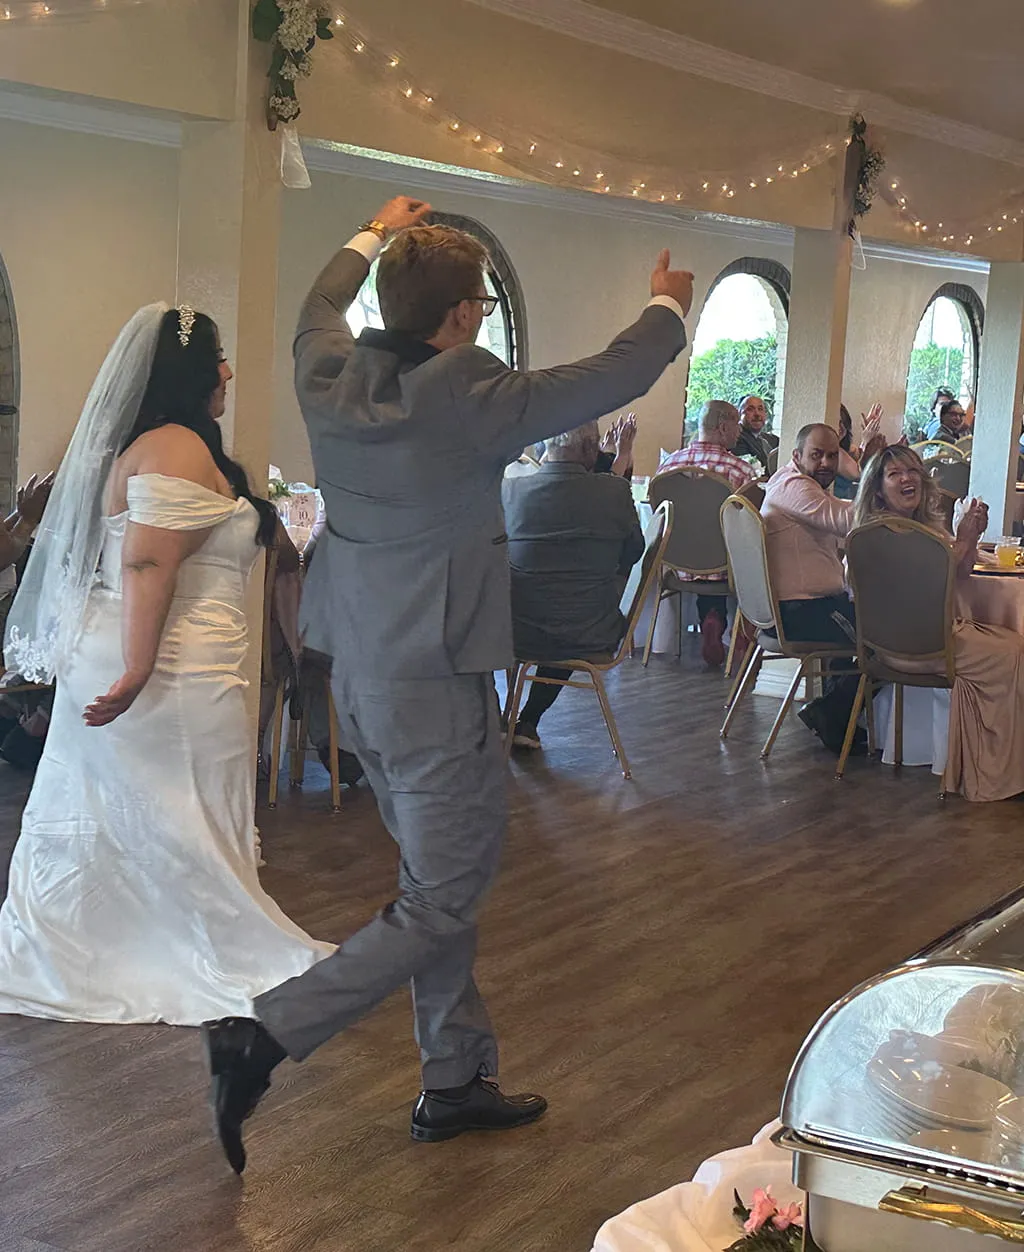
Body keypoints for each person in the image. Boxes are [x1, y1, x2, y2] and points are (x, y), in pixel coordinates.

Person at [200, 196, 693, 1174]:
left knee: (437, 876)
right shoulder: (472, 394)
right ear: (465, 316)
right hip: (436, 672)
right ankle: (263, 1034)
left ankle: (455, 1077)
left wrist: (368, 230)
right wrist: (668, 307)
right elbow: (614, 374)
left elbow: (315, 299)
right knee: (442, 890)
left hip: (363, 667)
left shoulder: (324, 367)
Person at [0, 303, 332, 1026]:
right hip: (164, 662)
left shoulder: (160, 445)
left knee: (148, 806)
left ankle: (102, 938)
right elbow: (148, 559)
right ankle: (168, 946)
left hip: (163, 654)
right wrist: (140, 668)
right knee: (175, 805)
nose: (228, 372)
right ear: (184, 372)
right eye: (216, 358)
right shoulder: (177, 447)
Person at [852, 445, 1024, 801]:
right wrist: (962, 540)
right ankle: (990, 774)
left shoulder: (909, 530)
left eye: (912, 471)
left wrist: (970, 537)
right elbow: (932, 586)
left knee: (1009, 643)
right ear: (878, 488)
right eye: (894, 474)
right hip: (919, 647)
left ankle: (994, 764)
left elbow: (958, 575)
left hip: (892, 645)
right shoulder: (888, 533)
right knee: (1011, 652)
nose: (906, 479)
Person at [502, 420, 644, 748]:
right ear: (591, 450)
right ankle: (528, 721)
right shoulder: (615, 491)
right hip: (590, 632)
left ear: (544, 446)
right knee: (571, 610)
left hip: (515, 631)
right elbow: (634, 551)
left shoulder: (510, 491)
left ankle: (496, 720)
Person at [761, 422, 882, 753]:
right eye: (817, 455)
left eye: (832, 455)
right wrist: (872, 477)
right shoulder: (794, 487)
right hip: (799, 610)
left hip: (804, 605)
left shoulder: (798, 486)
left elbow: (839, 533)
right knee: (887, 640)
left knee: (865, 619)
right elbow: (849, 520)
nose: (827, 463)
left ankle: (836, 720)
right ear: (797, 456)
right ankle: (829, 713)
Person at [656, 399, 755, 665]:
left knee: (704, 554)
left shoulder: (667, 468)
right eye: (737, 425)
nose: (739, 431)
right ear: (723, 427)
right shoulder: (740, 471)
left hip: (675, 567)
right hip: (724, 566)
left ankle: (712, 620)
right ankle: (741, 631)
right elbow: (751, 526)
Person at [732, 395, 778, 472]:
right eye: (750, 409)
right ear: (739, 414)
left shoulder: (772, 439)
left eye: (760, 409)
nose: (757, 414)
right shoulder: (736, 439)